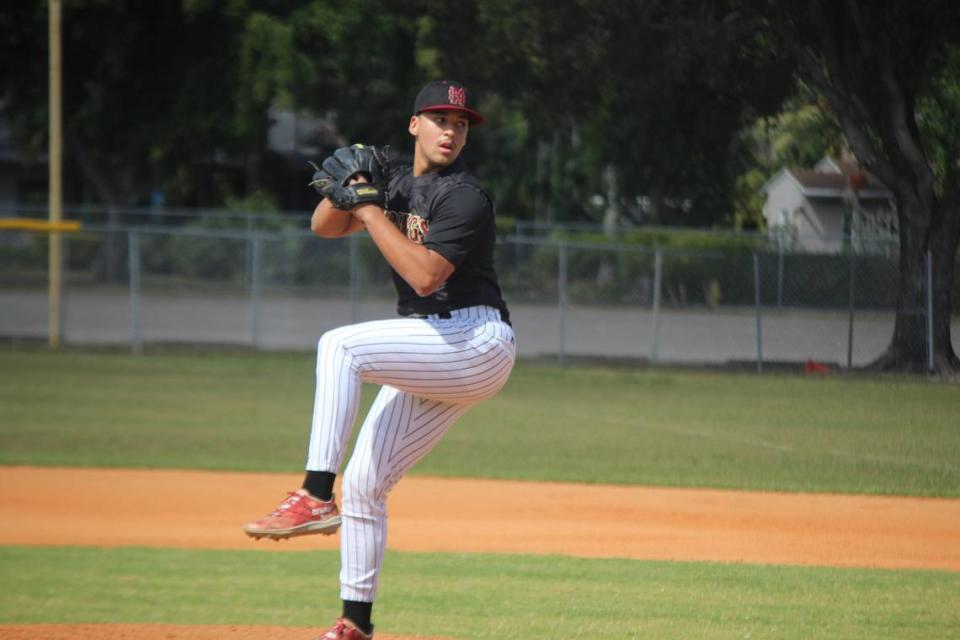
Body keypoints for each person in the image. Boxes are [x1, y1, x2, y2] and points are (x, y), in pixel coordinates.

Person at [243, 80, 516, 640]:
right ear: (415, 124)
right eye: (441, 119)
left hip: (477, 341)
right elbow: (323, 227)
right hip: (433, 346)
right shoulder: (391, 182)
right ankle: (355, 624)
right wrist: (349, 190)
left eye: (461, 123)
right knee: (367, 483)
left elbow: (423, 275)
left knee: (339, 346)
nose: (451, 131)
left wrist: (370, 213)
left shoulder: (464, 195)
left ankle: (315, 493)